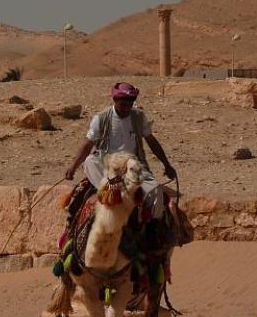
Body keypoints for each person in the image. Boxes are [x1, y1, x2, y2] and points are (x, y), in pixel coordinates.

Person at [65, 82, 176, 220]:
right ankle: (112, 192)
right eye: (123, 104)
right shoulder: (101, 118)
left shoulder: (139, 117)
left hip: (132, 166)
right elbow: (87, 145)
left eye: (130, 104)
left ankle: (150, 225)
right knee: (90, 161)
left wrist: (167, 164)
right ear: (115, 100)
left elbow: (152, 142)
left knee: (156, 192)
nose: (126, 108)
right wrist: (73, 167)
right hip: (107, 165)